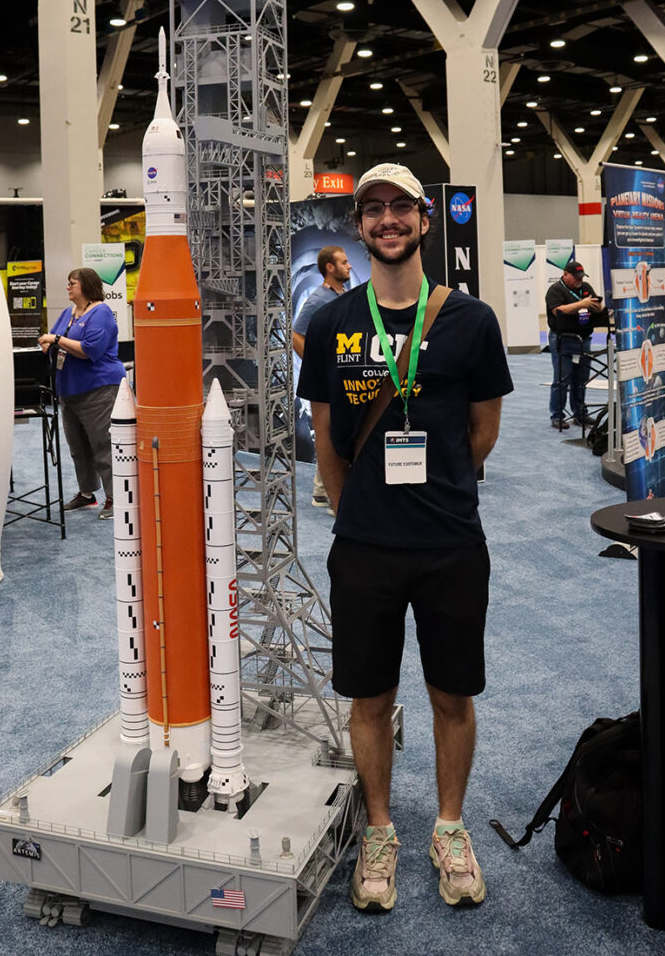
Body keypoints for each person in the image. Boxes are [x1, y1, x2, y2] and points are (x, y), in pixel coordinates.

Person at [296, 163, 513, 912]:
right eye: (372, 211)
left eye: (400, 208)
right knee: (369, 696)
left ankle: (448, 827)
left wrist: (441, 482)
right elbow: (326, 439)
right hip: (365, 546)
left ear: (423, 219)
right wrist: (361, 512)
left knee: (452, 693)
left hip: (451, 539)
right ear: (358, 228)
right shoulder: (330, 322)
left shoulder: (471, 321)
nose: (386, 221)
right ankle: (381, 831)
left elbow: (482, 431)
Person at [38, 268, 127, 520]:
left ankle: (115, 498)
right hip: (69, 390)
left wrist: (55, 339)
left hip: (98, 390)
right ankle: (87, 494)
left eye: (72, 283)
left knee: (104, 446)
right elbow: (50, 338)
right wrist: (48, 342)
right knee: (78, 447)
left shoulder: (101, 313)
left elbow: (89, 350)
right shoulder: (69, 313)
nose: (68, 287)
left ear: (86, 286)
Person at [292, 246, 352, 509]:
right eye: (343, 262)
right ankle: (331, 493)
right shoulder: (317, 300)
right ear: (329, 267)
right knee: (334, 432)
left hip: (344, 376)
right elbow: (296, 335)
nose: (349, 266)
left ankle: (321, 490)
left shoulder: (344, 294)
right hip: (331, 380)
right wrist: (320, 365)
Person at [544, 259, 606, 430]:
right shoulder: (555, 290)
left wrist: (597, 307)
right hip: (563, 339)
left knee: (581, 380)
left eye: (581, 276)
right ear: (565, 274)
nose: (579, 280)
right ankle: (557, 416)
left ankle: (580, 414)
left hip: (583, 340)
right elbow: (558, 311)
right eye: (576, 277)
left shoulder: (586, 288)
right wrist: (582, 304)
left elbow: (597, 306)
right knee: (562, 380)